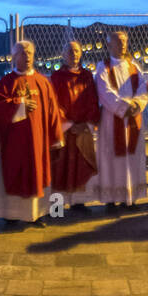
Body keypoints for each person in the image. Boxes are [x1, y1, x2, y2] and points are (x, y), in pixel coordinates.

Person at [0, 40, 63, 227]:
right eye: (22, 52)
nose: (27, 56)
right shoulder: (5, 83)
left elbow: (53, 111)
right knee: (14, 174)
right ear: (14, 57)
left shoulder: (43, 82)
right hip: (14, 144)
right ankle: (11, 214)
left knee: (39, 173)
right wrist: (19, 105)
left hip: (38, 141)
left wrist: (56, 138)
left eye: (30, 52)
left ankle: (38, 214)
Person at [84, 30, 147, 211]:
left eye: (125, 41)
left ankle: (130, 198)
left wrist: (137, 104)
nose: (123, 44)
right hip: (113, 120)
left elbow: (143, 88)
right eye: (118, 41)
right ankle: (111, 199)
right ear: (109, 44)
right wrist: (125, 107)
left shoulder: (134, 66)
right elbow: (104, 91)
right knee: (111, 158)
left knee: (132, 157)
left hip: (133, 119)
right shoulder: (103, 67)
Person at [48, 38, 102, 213]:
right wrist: (68, 124)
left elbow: (93, 100)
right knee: (60, 166)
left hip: (82, 129)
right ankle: (57, 207)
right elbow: (53, 104)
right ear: (63, 55)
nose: (74, 54)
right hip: (64, 130)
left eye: (77, 51)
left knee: (80, 165)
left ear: (81, 53)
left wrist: (85, 123)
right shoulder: (56, 78)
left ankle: (79, 203)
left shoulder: (87, 76)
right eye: (70, 51)